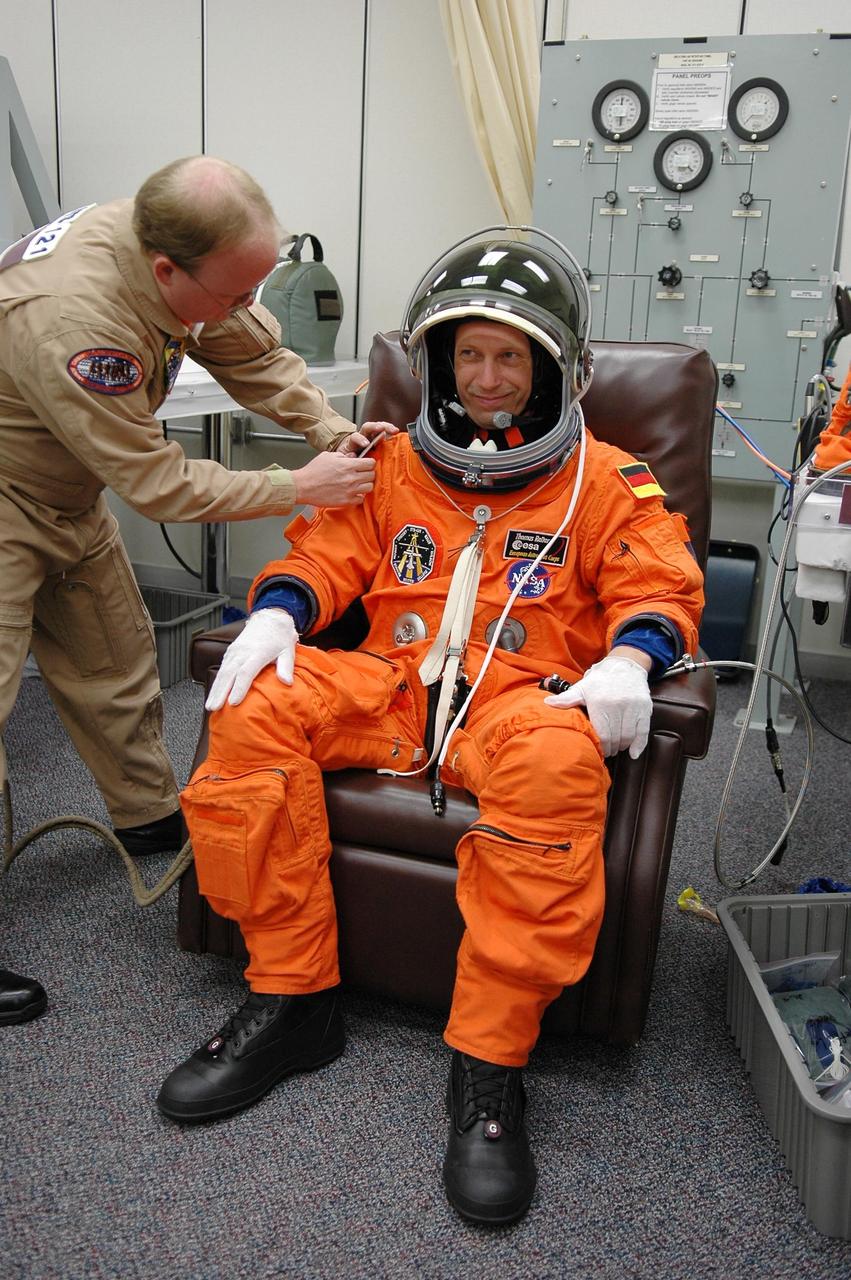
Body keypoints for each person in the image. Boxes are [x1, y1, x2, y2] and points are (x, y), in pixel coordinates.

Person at [157, 228, 704, 1224]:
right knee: (252, 702)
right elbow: (327, 549)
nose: (487, 379)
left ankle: (488, 1061)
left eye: (508, 356)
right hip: (390, 685)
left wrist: (631, 657)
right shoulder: (391, 463)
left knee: (553, 764)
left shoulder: (605, 482)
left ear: (552, 369)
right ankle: (292, 998)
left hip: (518, 703)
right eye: (468, 355)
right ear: (437, 363)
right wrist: (279, 607)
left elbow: (657, 578)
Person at [0, 155, 393, 1020]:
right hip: (6, 488)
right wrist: (301, 486)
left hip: (67, 485)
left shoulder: (174, 249)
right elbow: (160, 485)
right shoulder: (76, 319)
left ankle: (146, 818)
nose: (242, 302)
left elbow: (247, 350)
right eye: (232, 288)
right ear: (166, 271)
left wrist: (332, 429)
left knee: (117, 664)